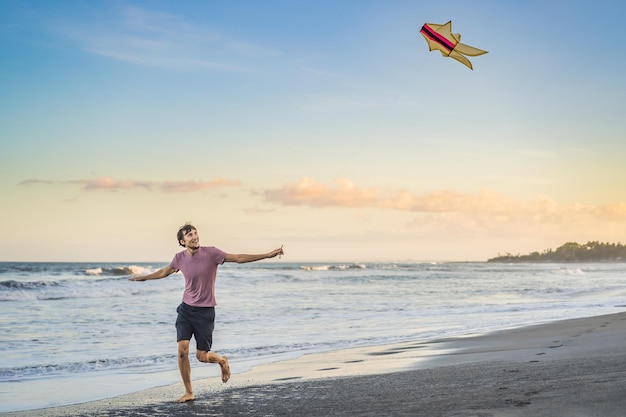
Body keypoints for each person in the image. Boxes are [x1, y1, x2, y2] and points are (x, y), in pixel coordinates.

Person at [129, 223, 284, 403]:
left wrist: (267, 254)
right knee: (182, 350)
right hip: (186, 309)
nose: (194, 236)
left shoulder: (211, 253)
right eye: (189, 235)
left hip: (205, 312)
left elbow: (239, 258)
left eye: (195, 233)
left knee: (202, 356)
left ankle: (222, 361)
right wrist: (144, 278)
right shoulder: (179, 258)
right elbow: (165, 271)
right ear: (182, 241)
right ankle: (189, 392)